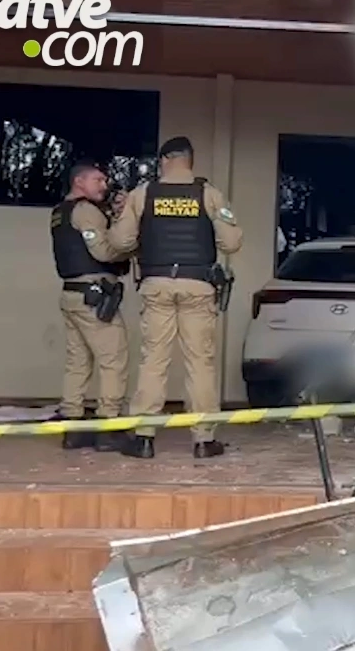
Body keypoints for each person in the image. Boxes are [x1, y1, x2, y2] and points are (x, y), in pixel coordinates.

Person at [108, 137, 243, 459]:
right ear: (190, 160)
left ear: (164, 159)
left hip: (157, 286)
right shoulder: (208, 194)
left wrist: (122, 215)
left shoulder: (144, 194)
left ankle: (143, 437)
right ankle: (203, 439)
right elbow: (232, 242)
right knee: (200, 362)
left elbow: (121, 241)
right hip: (198, 286)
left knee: (153, 360)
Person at [50, 160, 131, 451]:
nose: (104, 185)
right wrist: (128, 238)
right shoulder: (85, 210)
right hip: (93, 297)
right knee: (114, 359)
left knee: (78, 362)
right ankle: (109, 426)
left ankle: (73, 425)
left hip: (72, 295)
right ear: (79, 182)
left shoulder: (60, 212)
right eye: (98, 180)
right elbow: (103, 250)